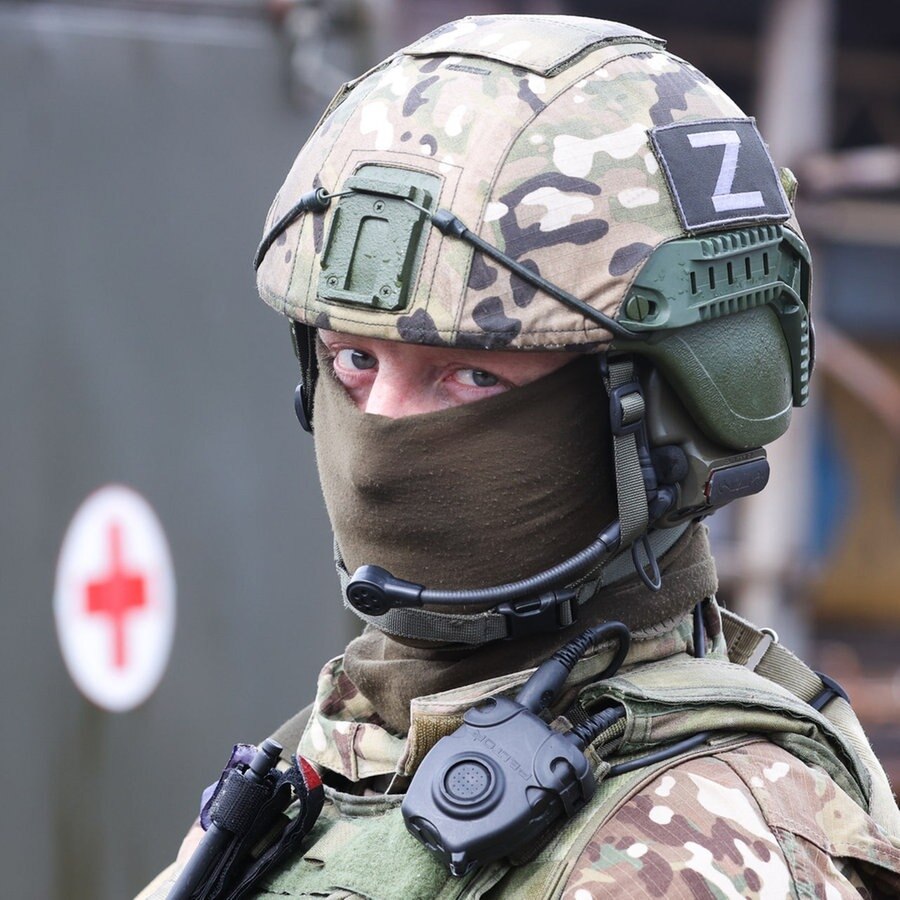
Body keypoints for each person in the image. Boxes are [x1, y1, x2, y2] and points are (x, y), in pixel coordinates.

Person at [138, 14, 900, 899]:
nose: (381, 432)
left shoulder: (696, 842)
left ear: (674, 406)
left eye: (468, 374)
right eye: (355, 360)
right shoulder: (342, 741)